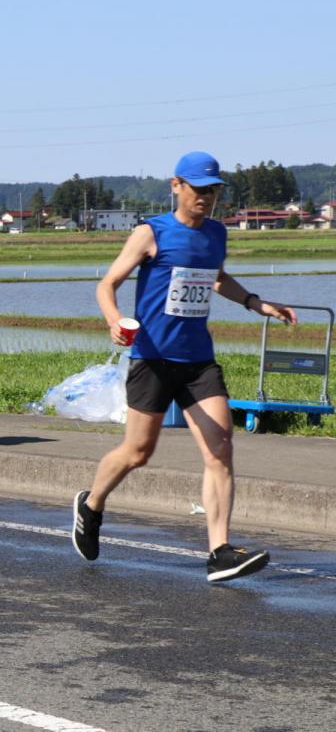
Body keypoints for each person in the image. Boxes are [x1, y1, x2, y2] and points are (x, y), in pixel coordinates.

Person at [72, 151, 297, 583]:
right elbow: (108, 284)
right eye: (199, 189)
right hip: (152, 359)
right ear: (176, 185)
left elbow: (216, 277)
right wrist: (114, 320)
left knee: (221, 447)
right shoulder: (150, 232)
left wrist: (255, 302)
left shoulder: (215, 234)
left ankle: (220, 551)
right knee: (138, 453)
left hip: (198, 361)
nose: (207, 198)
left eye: (213, 190)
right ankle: (92, 503)